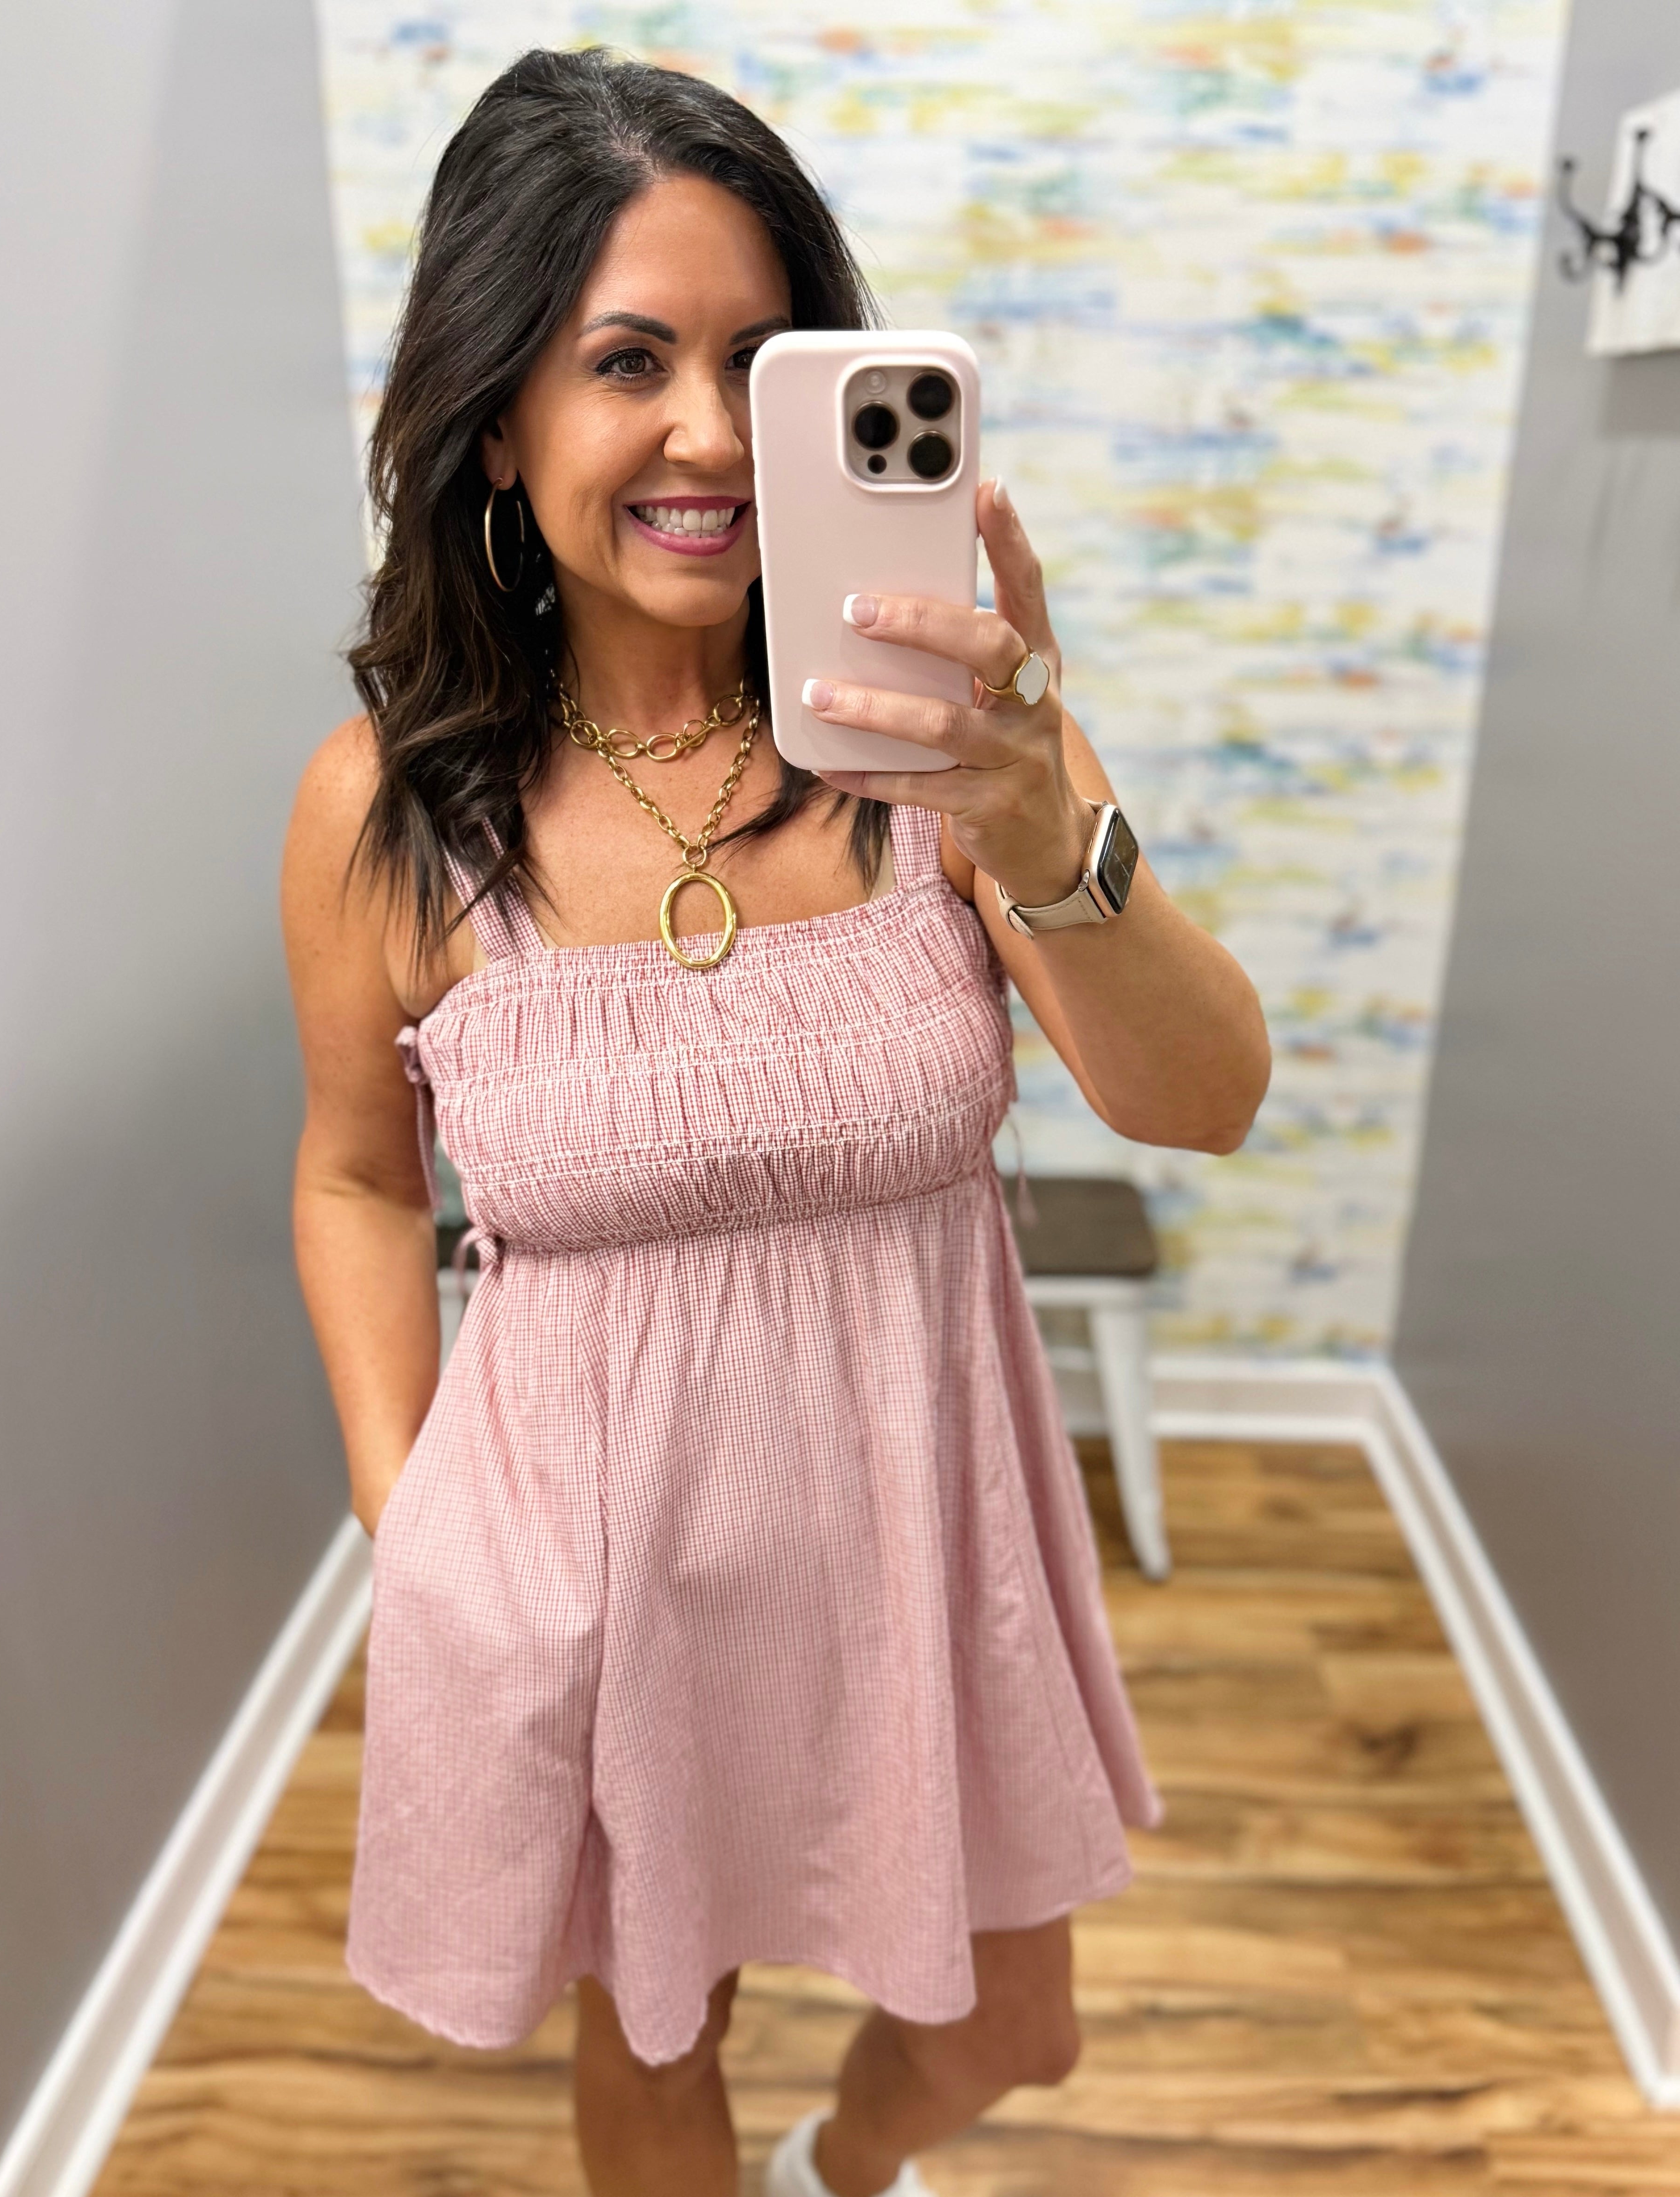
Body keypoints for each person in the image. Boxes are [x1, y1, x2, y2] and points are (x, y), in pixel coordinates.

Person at [281, 46, 1270, 2197]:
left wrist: (1035, 809)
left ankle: (847, 2171)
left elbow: (1200, 1101)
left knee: (1015, 2022)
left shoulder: (948, 738)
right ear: (499, 408)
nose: (711, 434)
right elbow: (356, 1171)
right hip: (599, 1567)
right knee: (656, 2031)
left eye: (764, 359)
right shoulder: (392, 807)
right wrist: (410, 1503)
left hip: (925, 1527)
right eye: (625, 359)